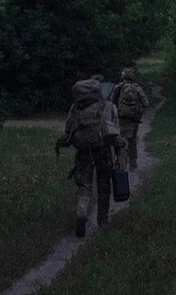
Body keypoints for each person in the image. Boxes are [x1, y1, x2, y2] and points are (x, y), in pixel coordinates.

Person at [56, 77, 126, 237]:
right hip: (103, 152)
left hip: (83, 154)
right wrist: (120, 152)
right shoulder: (108, 106)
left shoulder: (76, 107)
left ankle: (82, 212)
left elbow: (68, 130)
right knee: (104, 186)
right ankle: (103, 220)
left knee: (84, 187)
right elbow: (115, 133)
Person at [110, 67, 149, 170]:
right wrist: (139, 111)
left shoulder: (118, 87)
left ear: (123, 76)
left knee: (120, 141)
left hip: (121, 119)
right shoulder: (137, 88)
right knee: (132, 141)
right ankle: (133, 163)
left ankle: (120, 162)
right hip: (134, 120)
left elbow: (112, 102)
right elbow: (146, 103)